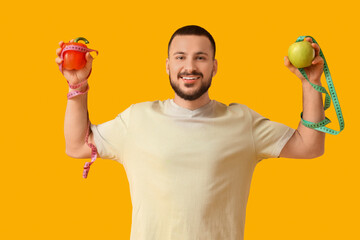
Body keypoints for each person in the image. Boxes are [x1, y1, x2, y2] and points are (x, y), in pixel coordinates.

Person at [55, 25, 325, 240]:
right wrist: (77, 87)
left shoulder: (242, 122)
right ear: (168, 66)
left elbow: (309, 145)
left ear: (214, 67)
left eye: (201, 58)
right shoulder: (137, 119)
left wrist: (311, 82)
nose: (190, 66)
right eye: (180, 57)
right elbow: (78, 145)